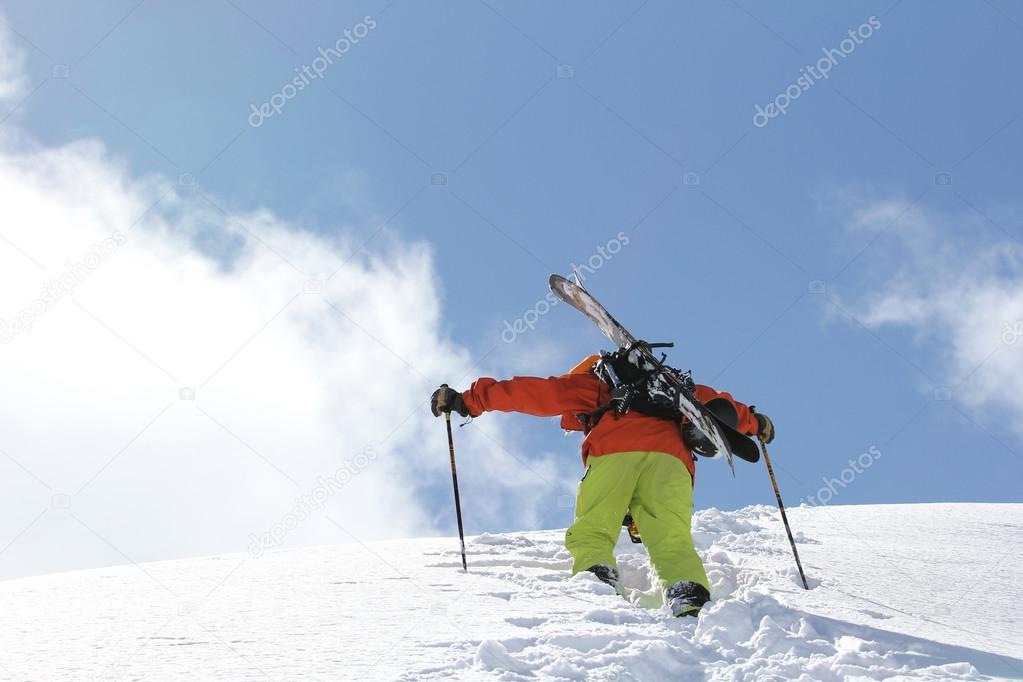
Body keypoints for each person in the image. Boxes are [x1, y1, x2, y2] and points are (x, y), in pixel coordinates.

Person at [430, 355, 774, 617]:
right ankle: (689, 596)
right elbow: (721, 407)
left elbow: (535, 393)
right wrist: (755, 423)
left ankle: (597, 581)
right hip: (673, 462)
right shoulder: (675, 389)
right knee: (672, 538)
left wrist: (469, 399)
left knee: (594, 529)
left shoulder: (595, 385)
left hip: (615, 449)